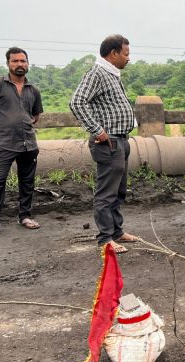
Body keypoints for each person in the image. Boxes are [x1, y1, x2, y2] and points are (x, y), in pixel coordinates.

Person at [70, 34, 138, 253]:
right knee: (107, 192)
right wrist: (97, 130)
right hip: (109, 143)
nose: (128, 58)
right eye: (125, 54)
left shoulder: (112, 74)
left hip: (121, 140)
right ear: (113, 53)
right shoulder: (97, 73)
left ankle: (117, 231)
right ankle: (105, 238)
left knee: (119, 191)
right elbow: (77, 102)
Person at [0, 47, 44, 239]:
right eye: (15, 61)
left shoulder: (33, 90)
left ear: (27, 63)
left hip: (28, 144)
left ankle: (25, 216)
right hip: (4, 144)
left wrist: (23, 124)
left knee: (27, 181)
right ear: (8, 64)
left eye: (23, 61)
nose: (19, 64)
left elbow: (35, 115)